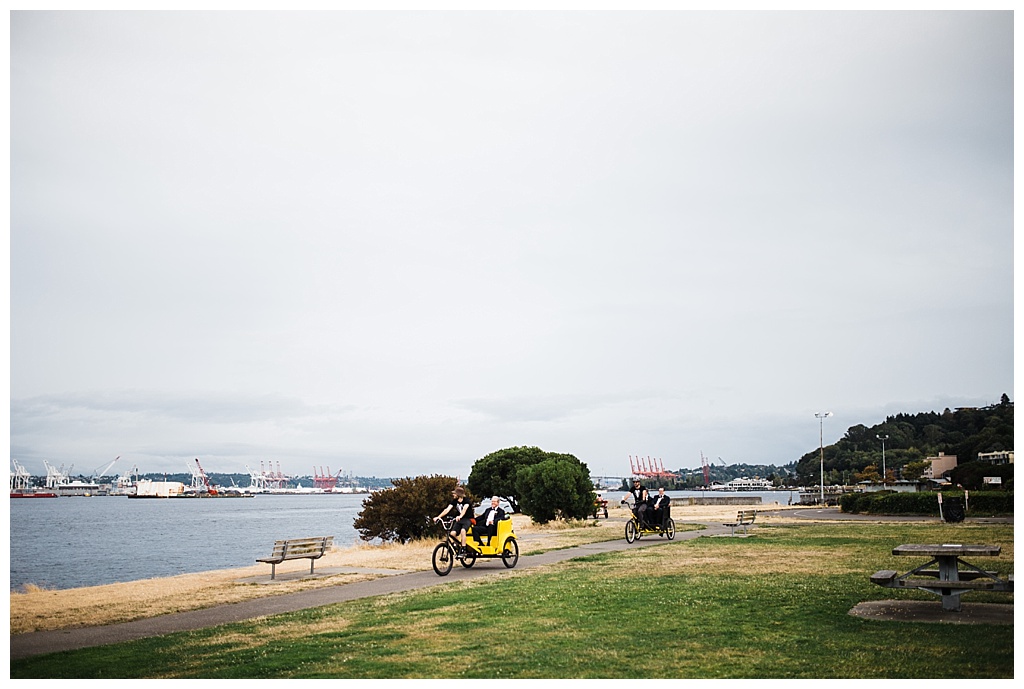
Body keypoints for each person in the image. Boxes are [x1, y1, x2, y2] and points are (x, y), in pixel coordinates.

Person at [434, 486, 472, 553]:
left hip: (467, 519)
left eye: (454, 493)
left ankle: (464, 548)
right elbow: (447, 509)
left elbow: (464, 509)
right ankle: (458, 546)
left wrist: (460, 516)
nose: (453, 495)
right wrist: (438, 517)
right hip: (459, 519)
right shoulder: (454, 501)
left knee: (463, 531)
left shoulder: (466, 500)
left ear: (458, 494)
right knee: (452, 534)